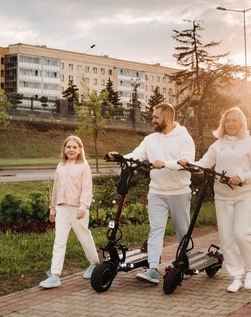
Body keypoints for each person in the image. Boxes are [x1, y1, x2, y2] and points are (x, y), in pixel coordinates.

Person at [179, 107, 251, 293]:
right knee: (226, 238)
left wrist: (242, 177)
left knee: (241, 233)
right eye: (228, 121)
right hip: (223, 196)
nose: (231, 124)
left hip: (246, 195)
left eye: (235, 120)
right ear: (223, 124)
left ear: (241, 123)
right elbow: (203, 163)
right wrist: (188, 163)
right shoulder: (217, 145)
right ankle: (236, 276)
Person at [108, 103, 195, 284]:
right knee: (155, 230)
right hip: (156, 191)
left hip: (179, 191)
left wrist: (166, 163)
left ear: (168, 118)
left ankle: (184, 263)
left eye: (155, 117)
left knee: (182, 231)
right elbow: (137, 155)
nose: (152, 120)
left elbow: (187, 161)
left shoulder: (184, 138)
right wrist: (120, 156)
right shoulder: (150, 139)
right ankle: (153, 269)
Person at [39, 135, 99, 288]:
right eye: (68, 147)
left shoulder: (84, 167)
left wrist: (83, 207)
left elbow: (87, 189)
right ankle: (55, 275)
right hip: (62, 208)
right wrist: (52, 209)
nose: (71, 149)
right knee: (59, 241)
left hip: (77, 209)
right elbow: (56, 189)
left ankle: (94, 263)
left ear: (80, 150)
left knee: (84, 236)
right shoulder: (61, 166)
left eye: (74, 147)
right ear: (64, 149)